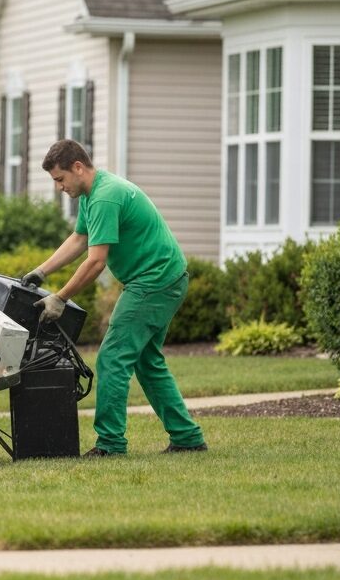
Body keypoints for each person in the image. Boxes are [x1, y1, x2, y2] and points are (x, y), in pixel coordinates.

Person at [22, 140, 207, 457]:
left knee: (112, 358)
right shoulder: (92, 194)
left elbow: (96, 261)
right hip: (162, 278)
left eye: (60, 179)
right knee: (147, 362)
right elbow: (80, 238)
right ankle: (187, 437)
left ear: (78, 167)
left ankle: (110, 444)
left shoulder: (106, 197)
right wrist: (42, 271)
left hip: (154, 280)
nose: (59, 187)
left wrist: (61, 298)